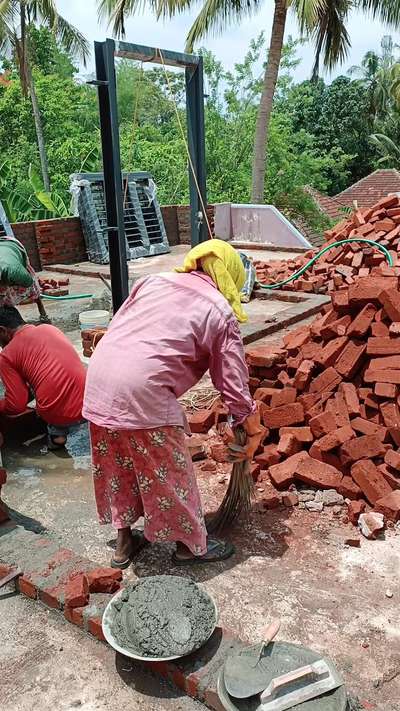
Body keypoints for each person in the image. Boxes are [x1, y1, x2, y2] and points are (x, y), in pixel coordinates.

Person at [83, 240, 265, 569]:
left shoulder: (152, 282)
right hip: (143, 391)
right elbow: (233, 384)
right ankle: (189, 547)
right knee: (170, 474)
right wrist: (250, 426)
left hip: (97, 383)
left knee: (117, 468)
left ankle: (124, 543)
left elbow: (120, 326)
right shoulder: (219, 310)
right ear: (231, 278)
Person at [0, 305, 86, 448]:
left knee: (55, 429)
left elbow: (16, 406)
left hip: (60, 415)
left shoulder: (7, 355)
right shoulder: (49, 329)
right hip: (90, 402)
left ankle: (58, 435)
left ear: (2, 330)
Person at [0, 234, 49, 321]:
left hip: (14, 246)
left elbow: (29, 281)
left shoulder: (14, 271)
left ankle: (42, 312)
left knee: (32, 288)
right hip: (4, 251)